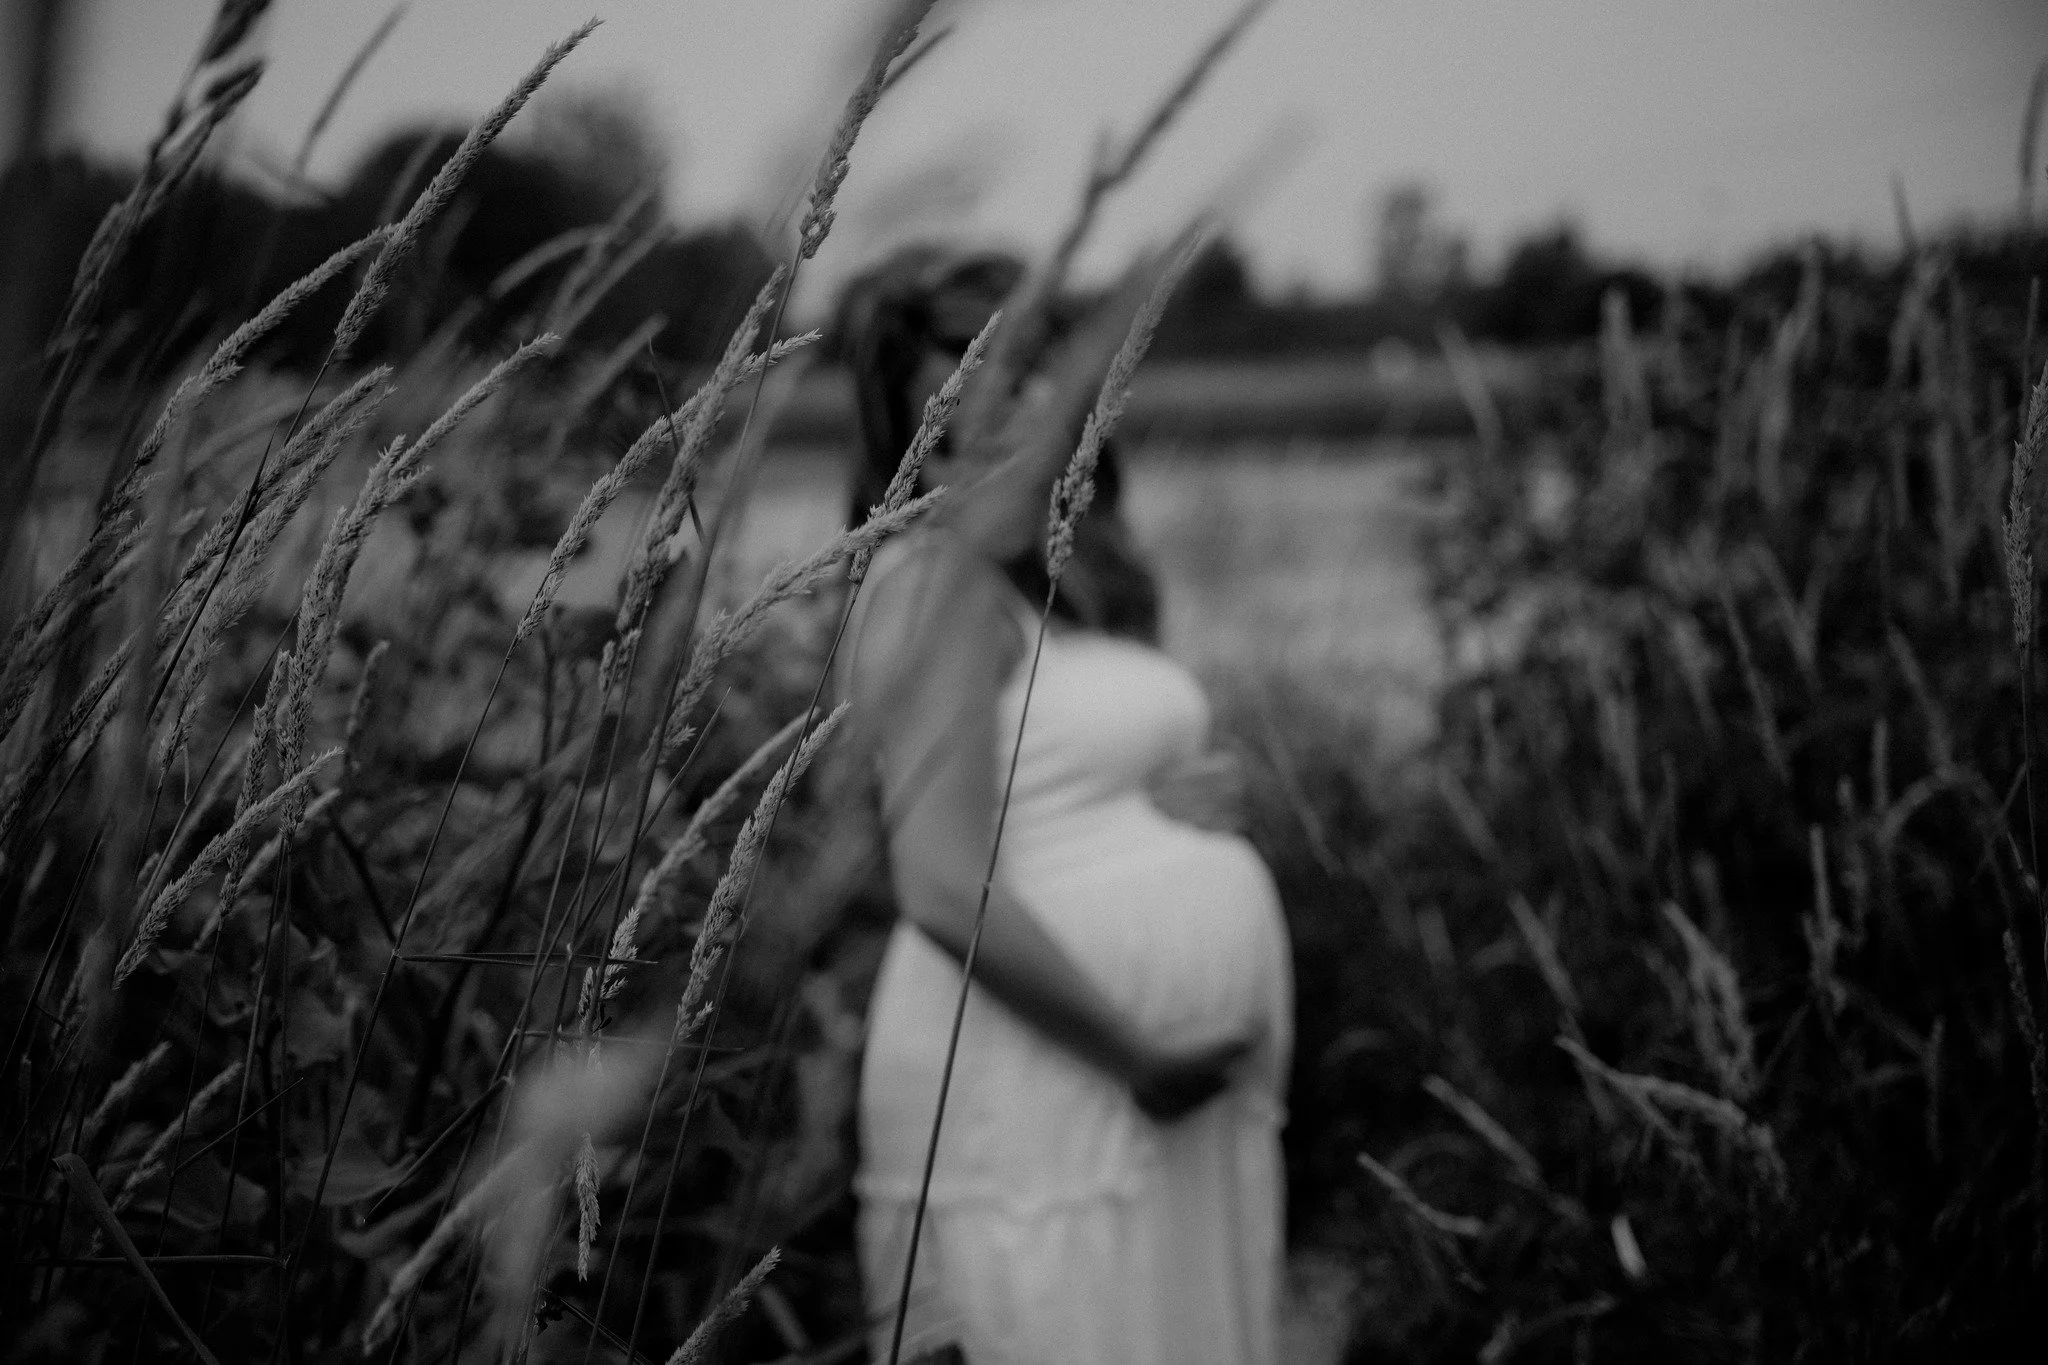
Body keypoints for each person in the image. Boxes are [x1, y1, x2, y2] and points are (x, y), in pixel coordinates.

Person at [830, 244, 1293, 1365]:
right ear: (909, 405)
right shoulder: (928, 581)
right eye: (965, 364)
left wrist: (1193, 794)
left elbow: (1062, 776)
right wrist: (1140, 1058)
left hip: (1141, 1114)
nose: (1011, 390)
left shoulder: (1069, 578)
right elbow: (938, 885)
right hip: (1048, 1091)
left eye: (1036, 361)